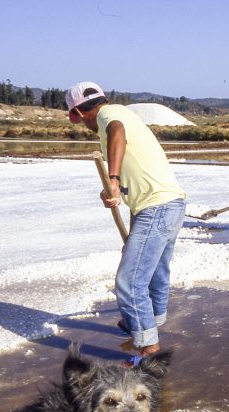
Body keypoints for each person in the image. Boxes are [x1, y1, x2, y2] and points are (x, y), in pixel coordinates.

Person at [66, 81, 186, 366]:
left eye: (75, 118)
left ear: (79, 113)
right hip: (169, 203)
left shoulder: (110, 117)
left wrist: (114, 179)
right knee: (155, 272)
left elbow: (117, 132)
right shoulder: (124, 113)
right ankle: (145, 324)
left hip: (156, 207)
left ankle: (148, 350)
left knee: (129, 282)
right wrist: (114, 188)